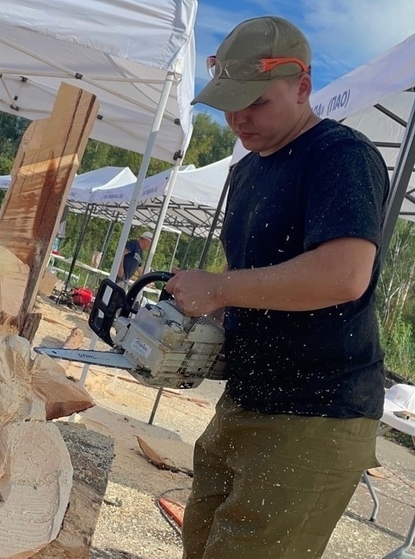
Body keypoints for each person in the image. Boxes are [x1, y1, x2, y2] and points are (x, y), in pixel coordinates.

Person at [164, 16, 389, 559]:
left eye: (257, 102)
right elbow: (257, 279)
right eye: (229, 101)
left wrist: (217, 288)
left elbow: (344, 274)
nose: (239, 117)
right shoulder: (248, 169)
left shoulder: (340, 155)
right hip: (247, 398)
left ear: (303, 87)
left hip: (316, 411)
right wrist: (211, 319)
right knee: (201, 544)